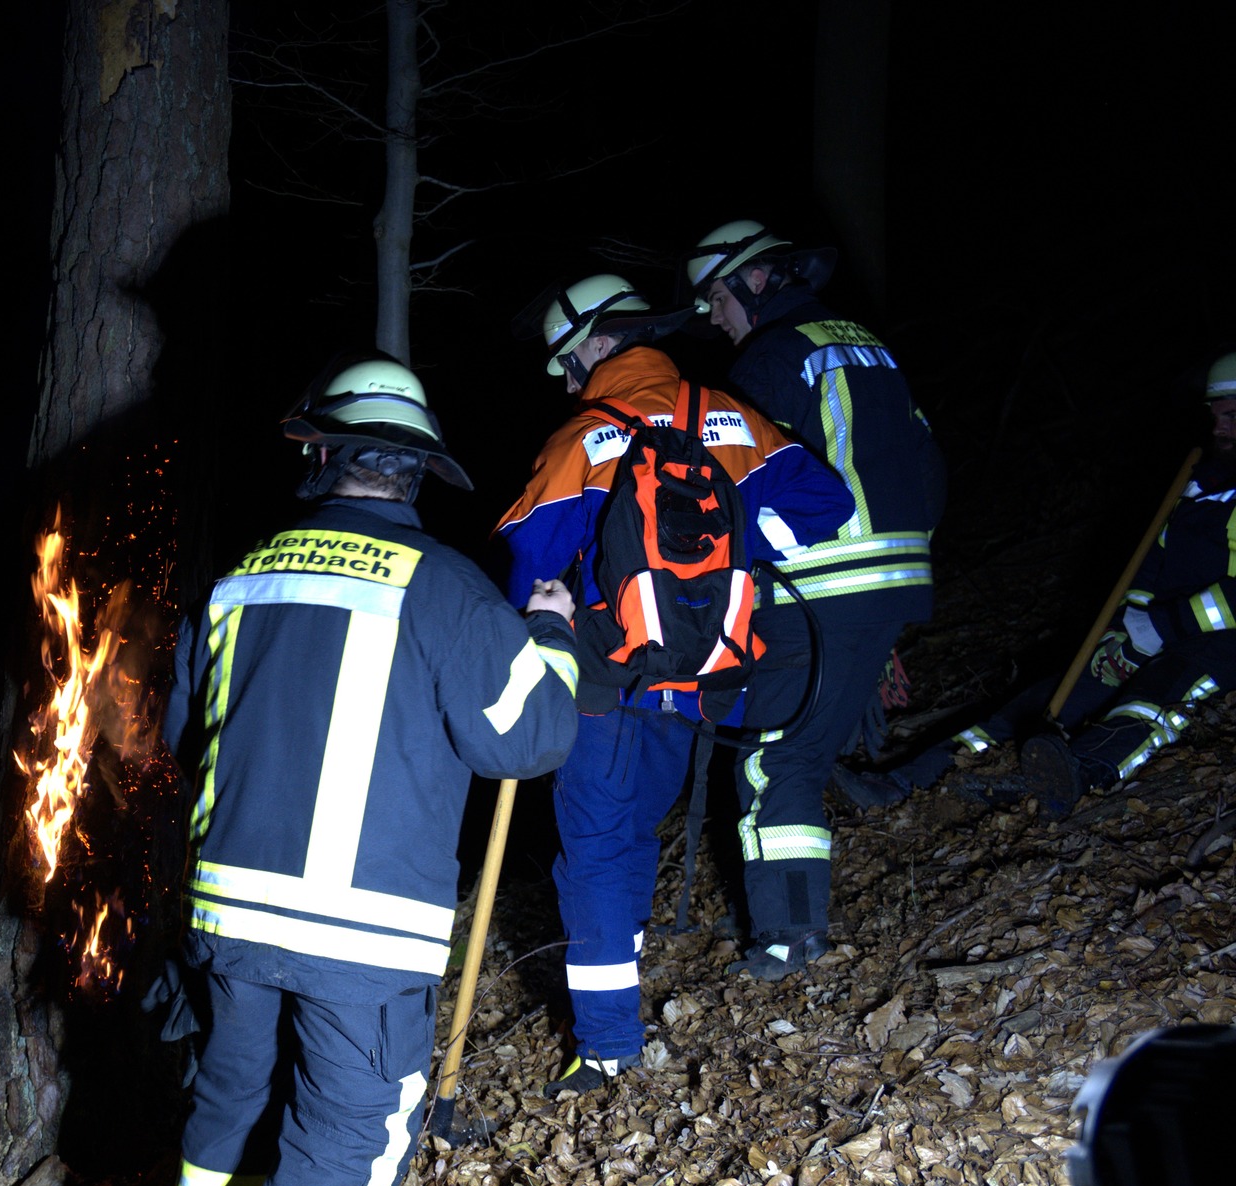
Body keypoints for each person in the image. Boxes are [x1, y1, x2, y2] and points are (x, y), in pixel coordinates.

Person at [156, 352, 583, 1186]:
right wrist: (550, 640)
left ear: (320, 456)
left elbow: (183, 737)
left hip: (225, 915)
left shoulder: (239, 579)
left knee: (228, 1099)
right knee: (344, 1133)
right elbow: (525, 741)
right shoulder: (446, 590)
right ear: (417, 473)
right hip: (361, 930)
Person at [493, 275, 854, 1092]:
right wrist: (738, 548)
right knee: (626, 841)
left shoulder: (583, 437)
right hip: (705, 687)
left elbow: (525, 564)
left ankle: (608, 1046)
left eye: (565, 360)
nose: (563, 378)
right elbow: (825, 503)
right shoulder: (732, 419)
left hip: (603, 688)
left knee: (592, 854)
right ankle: (619, 994)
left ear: (593, 342)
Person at [683, 221, 948, 979]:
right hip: (892, 580)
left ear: (756, 280)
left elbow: (735, 480)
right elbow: (926, 462)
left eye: (716, 297)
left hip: (817, 588)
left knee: (775, 761)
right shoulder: (872, 347)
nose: (712, 317)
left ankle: (791, 938)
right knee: (806, 747)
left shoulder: (767, 359)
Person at [855, 351, 1236, 814]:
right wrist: (1131, 624)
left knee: (1152, 700)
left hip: (1218, 644)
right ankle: (905, 781)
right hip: (1154, 628)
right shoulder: (1201, 484)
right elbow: (1152, 564)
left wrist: (1163, 628)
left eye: (1231, 416)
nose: (1218, 428)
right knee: (1040, 702)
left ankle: (1074, 775)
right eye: (1214, 415)